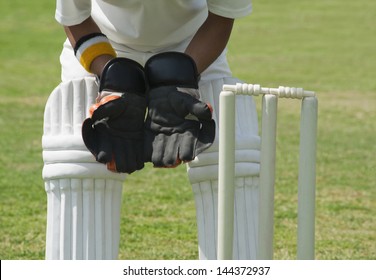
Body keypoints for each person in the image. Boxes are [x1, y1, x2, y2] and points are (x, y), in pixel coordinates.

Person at [42, 0, 261, 260]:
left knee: (226, 154)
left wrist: (181, 75)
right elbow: (75, 17)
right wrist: (112, 74)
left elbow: (222, 17)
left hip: (194, 46)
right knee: (82, 160)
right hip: (102, 46)